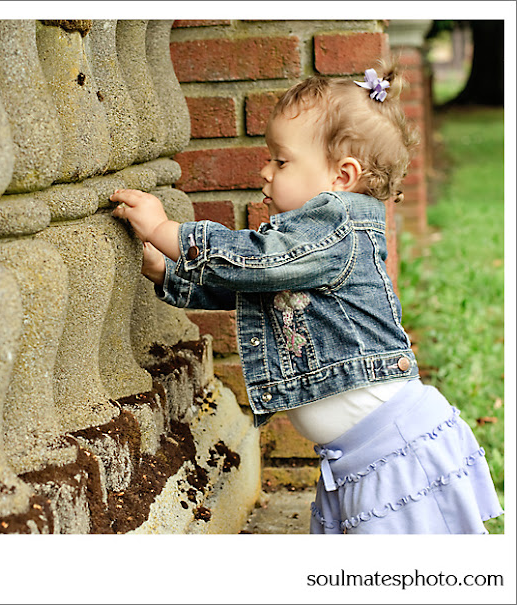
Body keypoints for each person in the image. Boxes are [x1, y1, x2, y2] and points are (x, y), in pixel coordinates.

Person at [110, 64, 504, 534]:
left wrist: (166, 231)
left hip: (395, 453)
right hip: (360, 456)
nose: (264, 171)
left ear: (342, 175)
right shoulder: (311, 247)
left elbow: (257, 261)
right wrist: (169, 271)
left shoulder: (337, 222)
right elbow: (253, 285)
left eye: (281, 161)